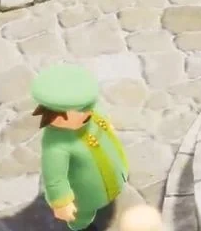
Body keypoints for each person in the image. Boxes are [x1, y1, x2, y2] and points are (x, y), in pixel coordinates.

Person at [31, 64, 129, 231]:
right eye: (82, 113)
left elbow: (100, 114)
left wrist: (107, 127)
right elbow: (55, 178)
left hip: (110, 173)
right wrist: (62, 202)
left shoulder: (90, 112)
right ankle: (80, 226)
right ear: (56, 118)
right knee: (81, 215)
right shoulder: (56, 146)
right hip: (85, 195)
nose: (89, 114)